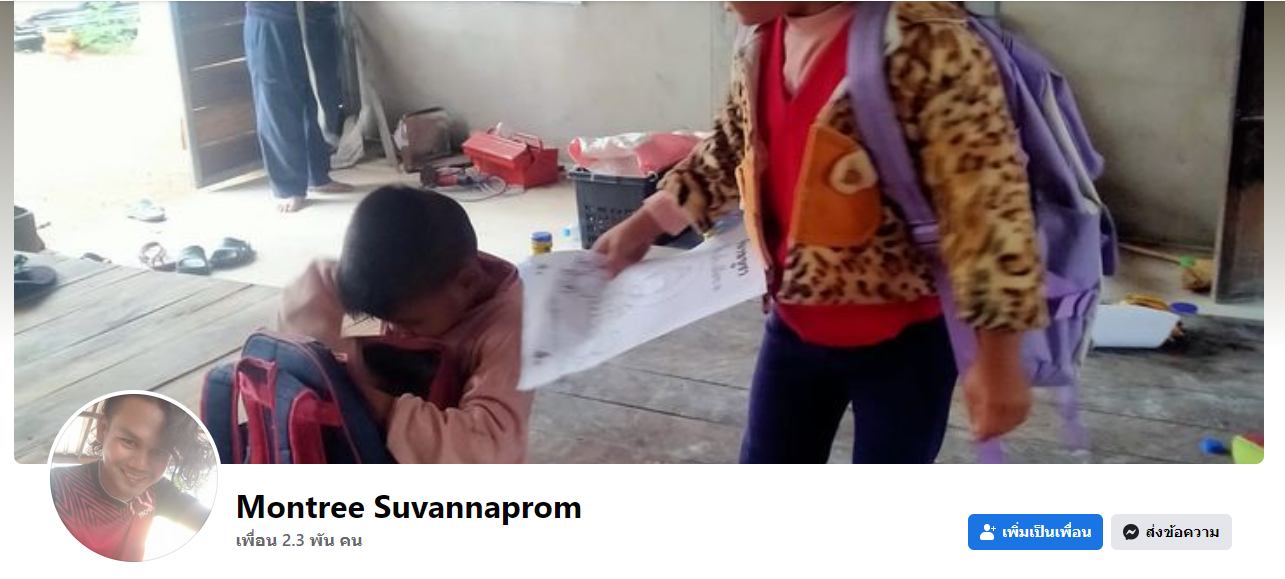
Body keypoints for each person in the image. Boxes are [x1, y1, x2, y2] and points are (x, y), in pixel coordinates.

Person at [593, 2, 1048, 463]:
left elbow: (989, 205)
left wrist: (998, 357)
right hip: (794, 323)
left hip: (908, 342)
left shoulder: (926, 41)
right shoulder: (760, 40)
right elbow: (731, 144)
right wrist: (648, 222)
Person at [278, 186, 533, 463]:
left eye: (411, 322)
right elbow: (314, 291)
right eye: (387, 320)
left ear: (467, 283)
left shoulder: (510, 332)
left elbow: (490, 450)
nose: (395, 329)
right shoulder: (404, 291)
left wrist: (377, 405)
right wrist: (341, 371)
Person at [50, 394, 215, 561]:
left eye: (159, 451)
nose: (140, 465)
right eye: (129, 442)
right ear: (103, 429)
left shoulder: (157, 490)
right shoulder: (56, 487)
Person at [245, 1, 354, 213]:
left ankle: (317, 175)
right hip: (273, 17)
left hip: (317, 17)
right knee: (278, 105)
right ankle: (288, 187)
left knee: (319, 100)